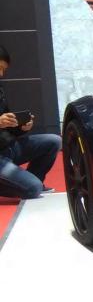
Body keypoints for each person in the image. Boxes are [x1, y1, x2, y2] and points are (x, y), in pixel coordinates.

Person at [0, 45, 61, 199]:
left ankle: (30, 182)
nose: (1, 74)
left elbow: (6, 127)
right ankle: (29, 185)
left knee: (53, 141)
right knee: (33, 188)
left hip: (7, 147)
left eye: (3, 70)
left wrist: (21, 127)